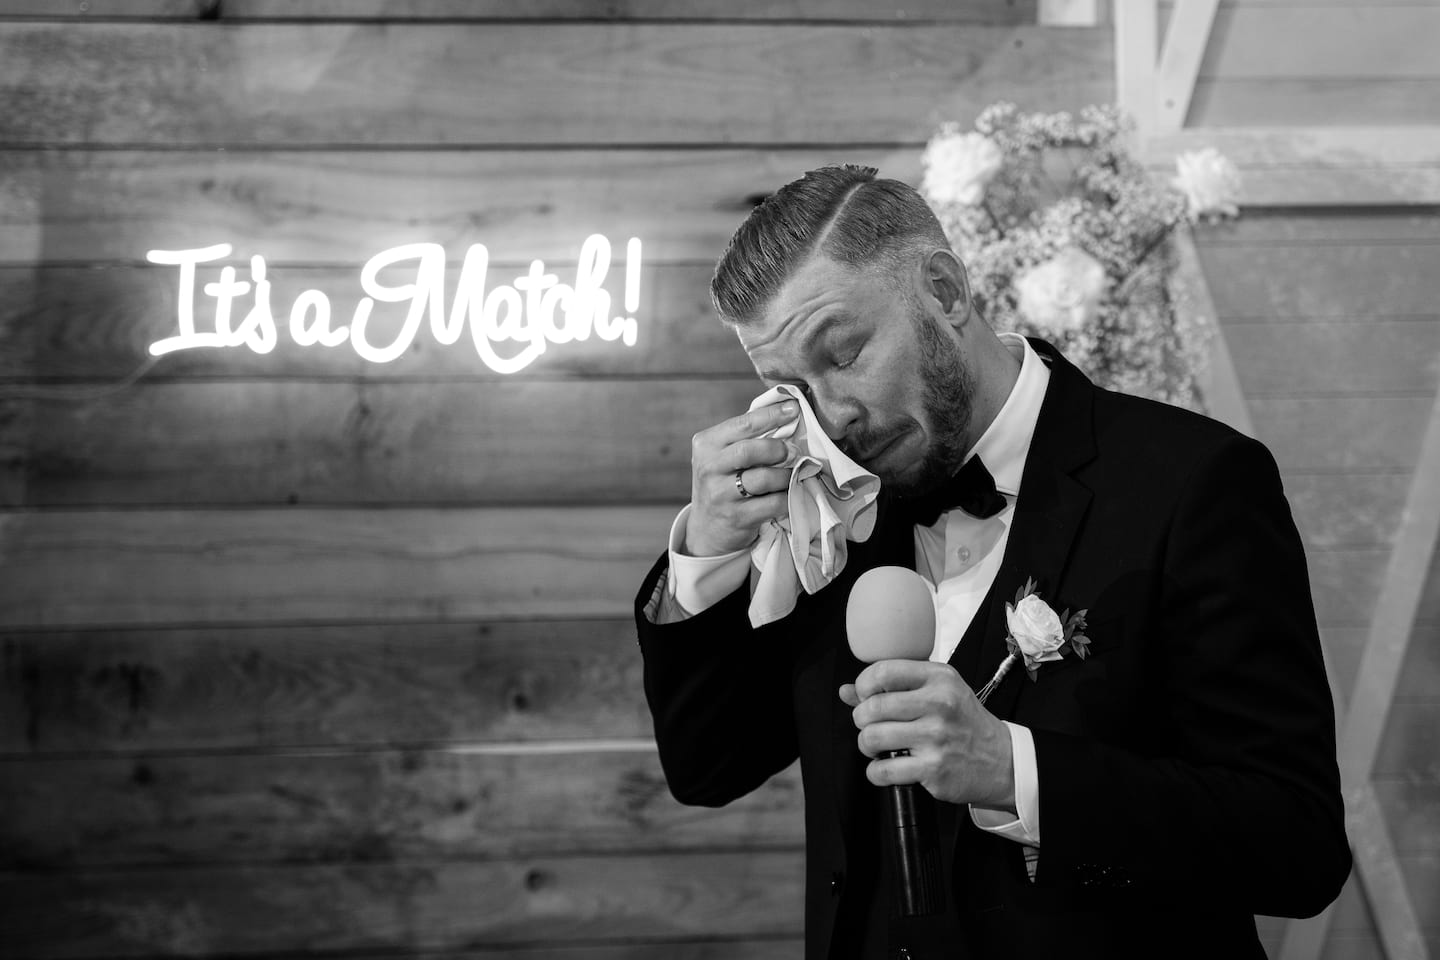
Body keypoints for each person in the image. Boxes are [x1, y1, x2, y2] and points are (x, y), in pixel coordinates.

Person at [633, 164, 1350, 960]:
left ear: (944, 291)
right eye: (791, 387)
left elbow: (1298, 845)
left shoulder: (1192, 483)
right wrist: (708, 549)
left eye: (845, 353)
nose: (832, 417)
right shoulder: (826, 515)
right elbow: (708, 768)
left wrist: (1016, 771)